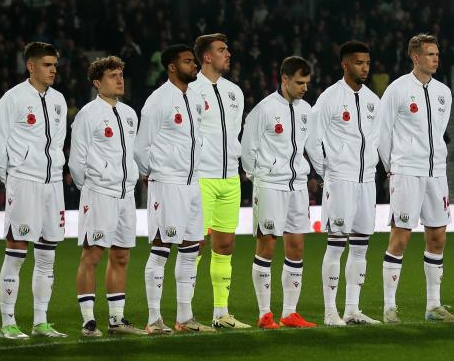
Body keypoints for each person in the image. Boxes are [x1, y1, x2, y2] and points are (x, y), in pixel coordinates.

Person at [377, 33, 454, 323]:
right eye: (430, 54)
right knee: (400, 238)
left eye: (437, 54)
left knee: (437, 237)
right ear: (415, 57)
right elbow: (382, 132)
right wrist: (393, 166)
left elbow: (438, 132)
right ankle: (389, 307)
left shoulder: (443, 92)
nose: (436, 58)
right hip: (406, 171)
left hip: (436, 173)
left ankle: (433, 306)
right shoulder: (397, 90)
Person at [0, 42, 69, 339]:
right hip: (24, 183)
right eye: (47, 65)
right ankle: (8, 321)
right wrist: (11, 178)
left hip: (53, 185)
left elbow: (58, 143)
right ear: (31, 66)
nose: (53, 70)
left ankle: (40, 321)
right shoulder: (13, 98)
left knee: (48, 255)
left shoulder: (59, 100)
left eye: (55, 65)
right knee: (17, 252)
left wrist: (57, 169)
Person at [134, 44, 214, 334]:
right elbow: (142, 146)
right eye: (188, 61)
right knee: (161, 249)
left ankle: (185, 317)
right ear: (171, 67)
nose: (194, 66)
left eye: (193, 61)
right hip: (167, 183)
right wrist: (156, 172)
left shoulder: (194, 98)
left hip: (193, 182)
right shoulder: (158, 101)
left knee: (192, 249)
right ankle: (154, 318)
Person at [68, 56, 147, 337]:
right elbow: (76, 162)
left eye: (120, 74)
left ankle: (116, 320)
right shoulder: (88, 115)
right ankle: (88, 321)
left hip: (126, 194)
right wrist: (93, 186)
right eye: (112, 75)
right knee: (91, 255)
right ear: (97, 82)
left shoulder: (129, 114)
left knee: (122, 255)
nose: (119, 79)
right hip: (99, 193)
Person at [306, 41, 382, 326]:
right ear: (345, 64)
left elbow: (378, 139)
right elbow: (312, 139)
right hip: (340, 180)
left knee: (361, 245)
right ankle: (329, 312)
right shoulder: (329, 98)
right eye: (359, 62)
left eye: (367, 63)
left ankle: (352, 309)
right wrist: (327, 171)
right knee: (336, 244)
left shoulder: (374, 100)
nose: (365, 67)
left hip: (366, 180)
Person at [241, 56, 317, 330]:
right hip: (271, 185)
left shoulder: (306, 110)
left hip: (297, 186)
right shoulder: (263, 110)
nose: (304, 88)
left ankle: (289, 313)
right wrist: (260, 177)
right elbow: (247, 149)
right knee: (267, 245)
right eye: (299, 82)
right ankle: (264, 313)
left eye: (307, 82)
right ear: (284, 80)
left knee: (296, 247)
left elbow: (311, 146)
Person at [188, 33, 250, 330]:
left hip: (230, 177)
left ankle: (221, 313)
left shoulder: (234, 92)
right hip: (202, 177)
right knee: (194, 246)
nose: (229, 54)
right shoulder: (191, 90)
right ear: (207, 57)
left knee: (225, 245)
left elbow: (234, 134)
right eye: (222, 50)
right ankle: (184, 314)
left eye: (228, 49)